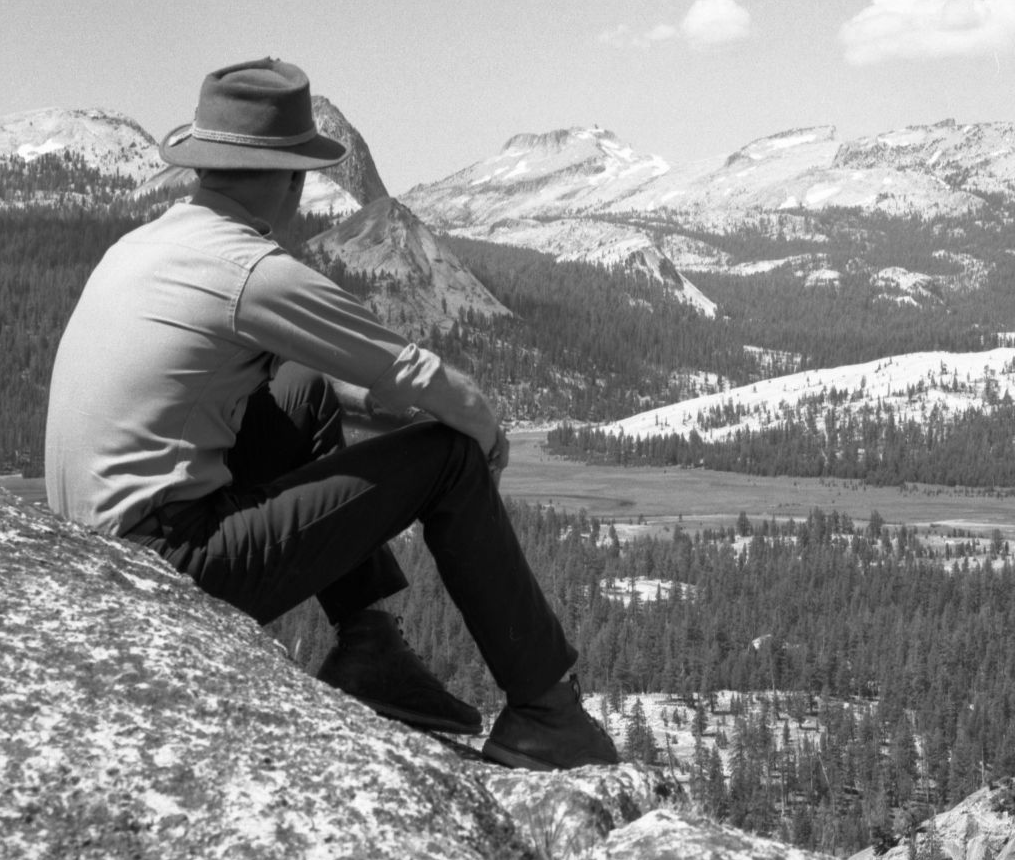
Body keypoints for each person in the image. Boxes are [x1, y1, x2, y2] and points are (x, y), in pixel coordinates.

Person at [43, 57, 618, 769]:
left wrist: (363, 402)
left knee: (306, 386)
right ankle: (545, 712)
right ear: (289, 177)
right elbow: (429, 377)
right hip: (164, 563)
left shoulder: (151, 244)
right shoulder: (247, 268)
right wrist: (483, 439)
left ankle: (370, 646)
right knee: (446, 456)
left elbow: (254, 379)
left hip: (89, 553)